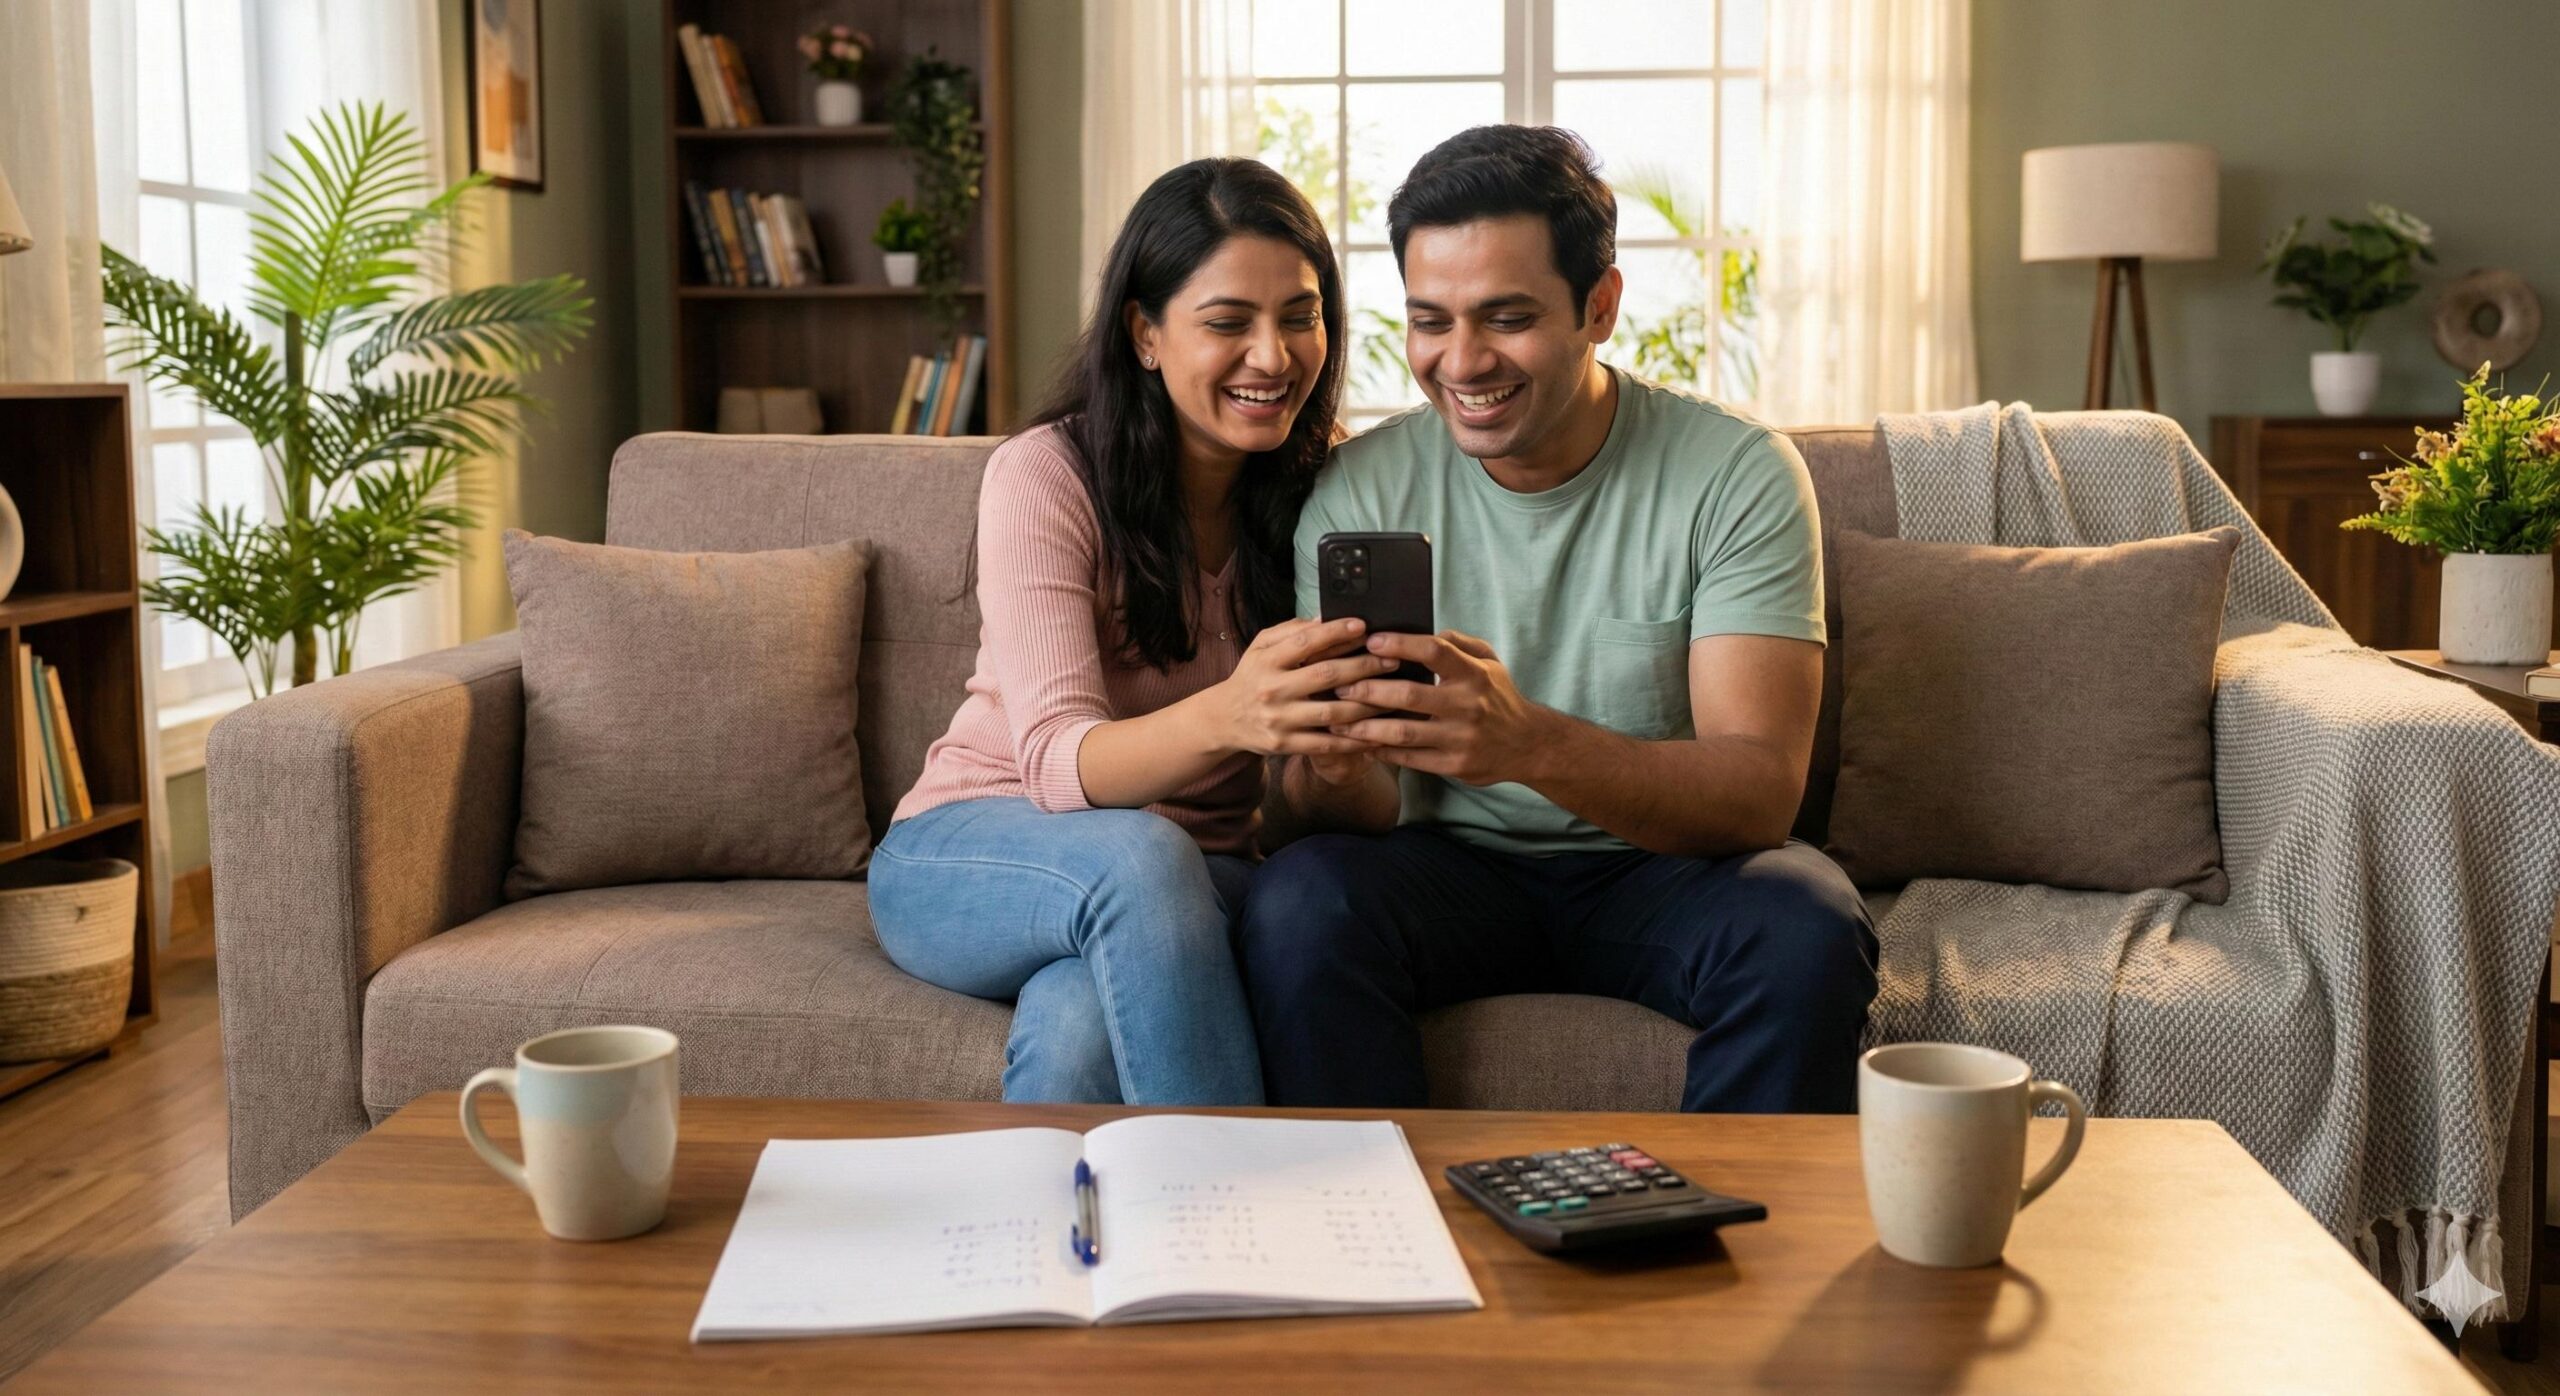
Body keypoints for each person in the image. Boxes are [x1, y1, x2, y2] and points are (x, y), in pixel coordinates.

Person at [1241, 125, 1879, 1114]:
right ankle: (1368, 1242)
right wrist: (1331, 767)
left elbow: (1759, 791)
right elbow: (1322, 820)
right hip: (1443, 872)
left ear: (1600, 306)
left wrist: (1525, 741)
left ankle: (1746, 1260)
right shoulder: (1357, 488)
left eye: (1505, 317)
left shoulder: (1736, 474)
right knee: (1298, 901)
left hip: (1659, 871)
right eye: (1429, 320)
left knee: (1804, 917)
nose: (1461, 361)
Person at [870, 158, 1382, 1105]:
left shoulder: (1335, 485)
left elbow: (1329, 813)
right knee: (1142, 859)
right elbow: (1059, 766)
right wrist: (1234, 714)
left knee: (1077, 1032)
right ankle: (1235, 1224)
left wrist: (1343, 762)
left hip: (1199, 875)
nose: (1273, 356)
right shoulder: (1047, 474)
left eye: (1300, 316)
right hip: (972, 850)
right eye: (1228, 322)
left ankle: (1060, 1250)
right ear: (1145, 333)